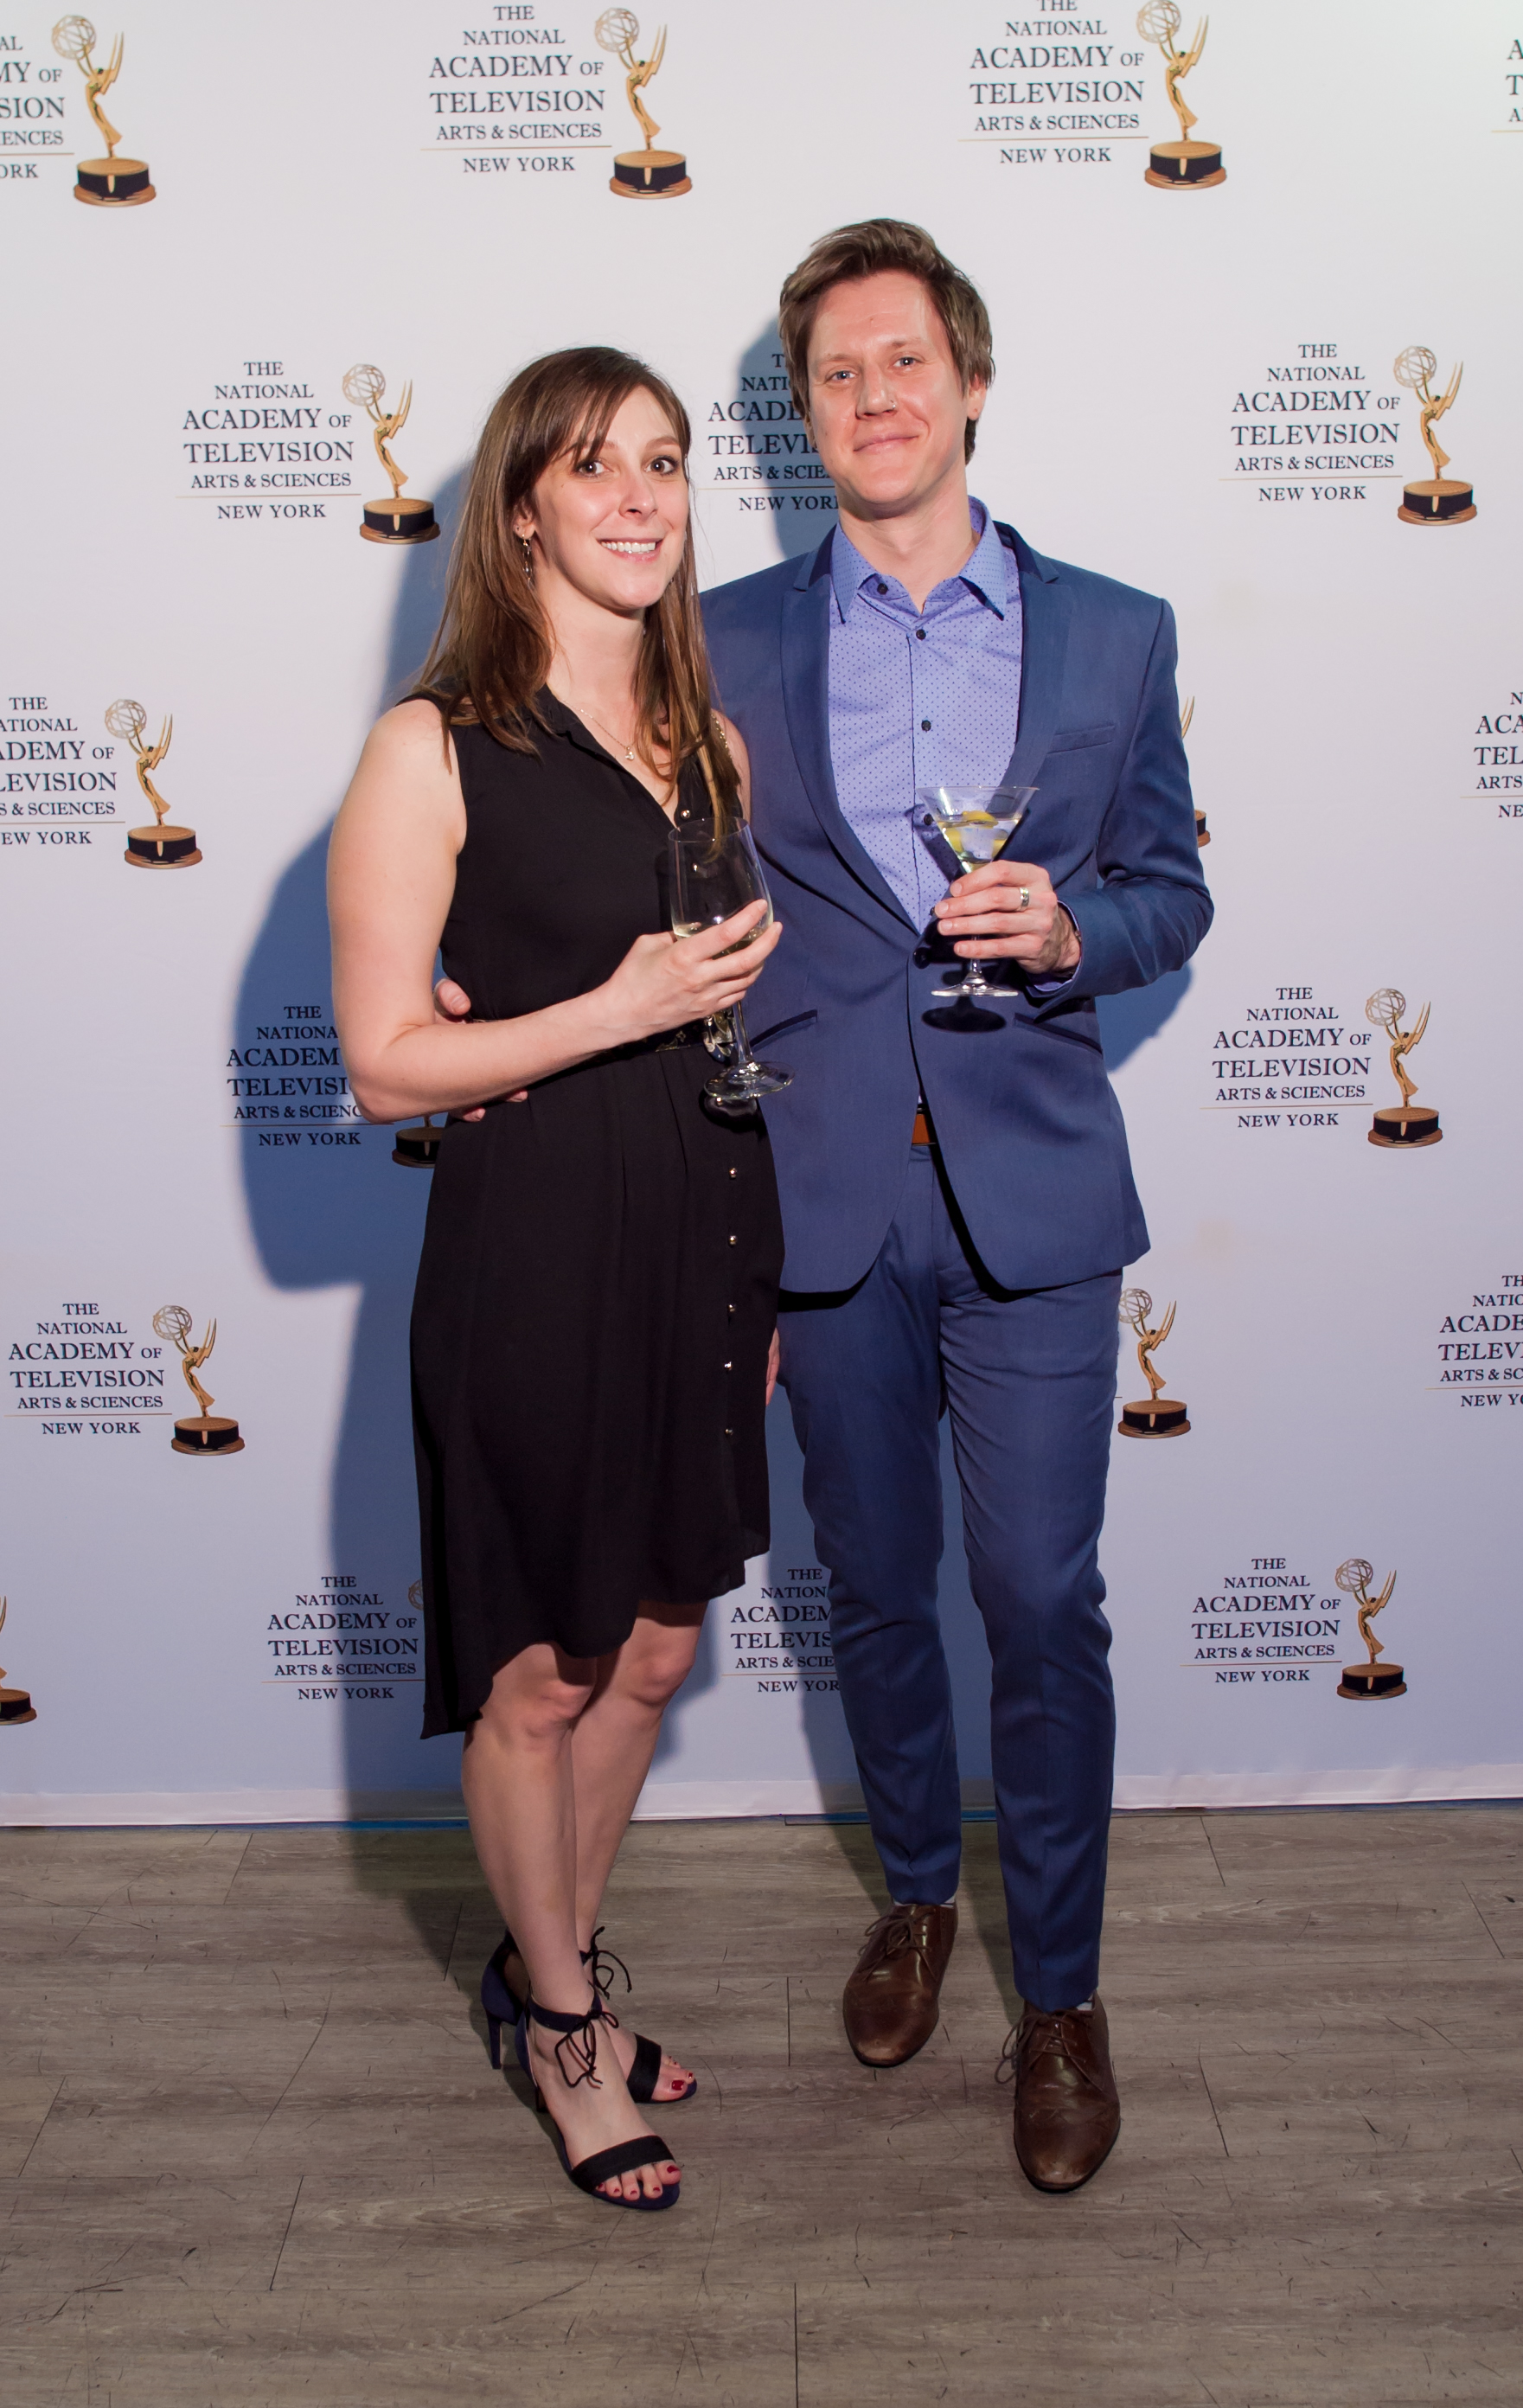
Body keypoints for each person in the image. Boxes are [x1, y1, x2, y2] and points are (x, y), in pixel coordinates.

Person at [701, 221, 1213, 2193]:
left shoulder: (1115, 631)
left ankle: (1061, 1998)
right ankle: (918, 1891)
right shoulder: (721, 639)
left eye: (905, 359)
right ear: (806, 415)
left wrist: (1079, 929)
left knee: (1040, 1600)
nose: (875, 396)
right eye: (836, 373)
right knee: (875, 1589)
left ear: (971, 384)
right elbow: (658, 880)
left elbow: (1173, 888)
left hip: (1035, 1199)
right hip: (819, 1198)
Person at [329, 349, 784, 2212]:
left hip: (708, 1238)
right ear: (521, 507)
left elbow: (728, 1024)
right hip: (535, 1250)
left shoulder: (709, 736)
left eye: (664, 462)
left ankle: (555, 1977)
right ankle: (570, 2037)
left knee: (657, 1646)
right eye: (595, 465)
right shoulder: (433, 746)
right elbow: (382, 1063)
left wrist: (758, 1278)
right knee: (543, 1671)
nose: (639, 497)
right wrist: (608, 1008)